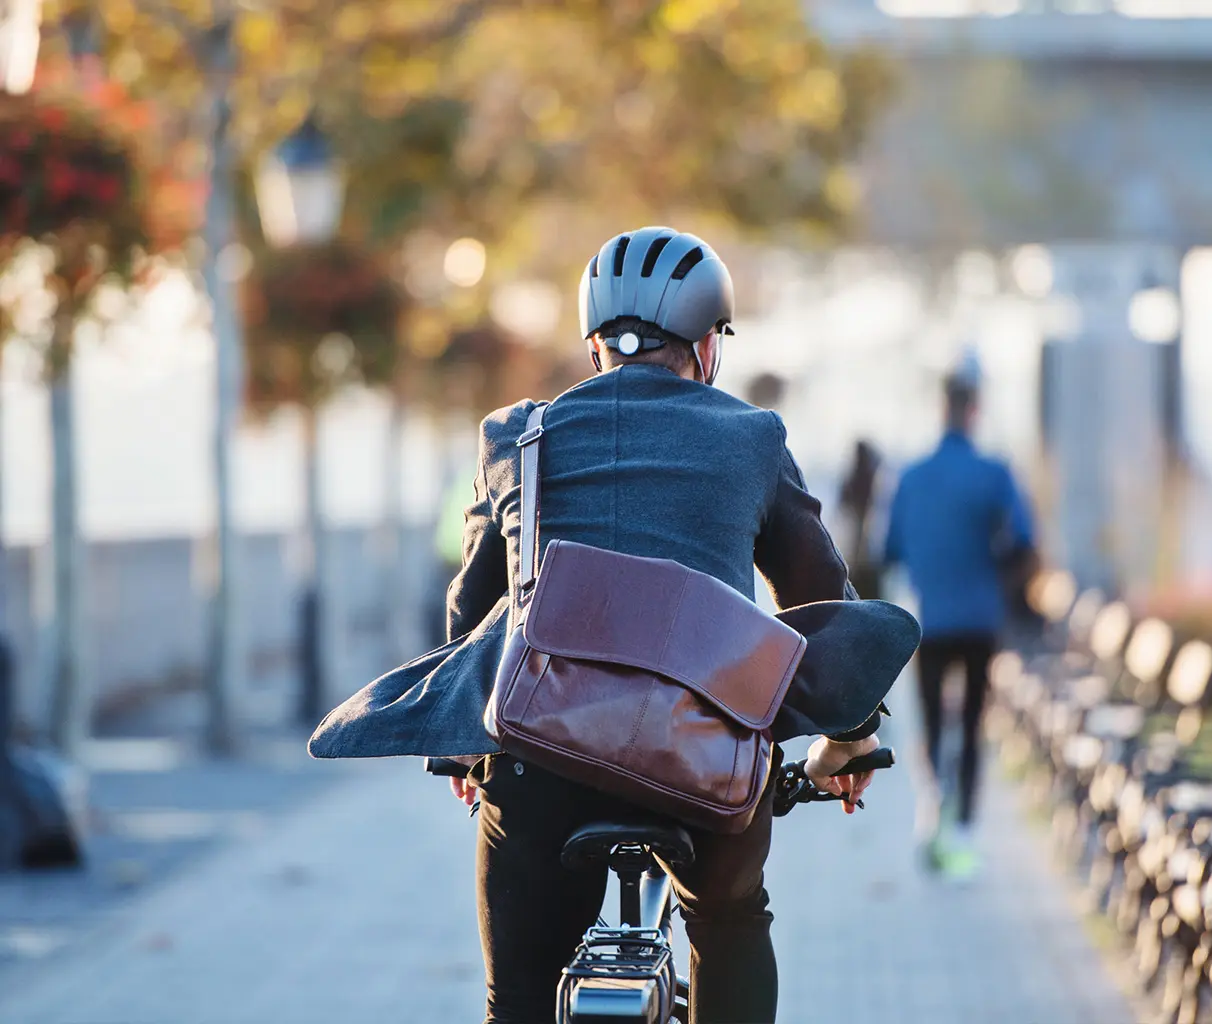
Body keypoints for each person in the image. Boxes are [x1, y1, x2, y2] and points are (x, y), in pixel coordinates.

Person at [308, 227, 921, 1024]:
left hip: (539, 754)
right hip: (708, 754)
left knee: (519, 999)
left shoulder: (515, 436)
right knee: (731, 917)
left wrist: (463, 746)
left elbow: (474, 614)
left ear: (595, 347)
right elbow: (821, 602)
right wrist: (850, 741)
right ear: (708, 348)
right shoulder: (751, 437)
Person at [883, 353, 1036, 881]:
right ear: (975, 410)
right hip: (980, 617)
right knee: (971, 724)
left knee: (928, 721)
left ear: (941, 408)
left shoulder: (911, 477)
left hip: (929, 620)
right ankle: (965, 828)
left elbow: (892, 550)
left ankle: (932, 811)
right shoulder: (995, 473)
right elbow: (1023, 542)